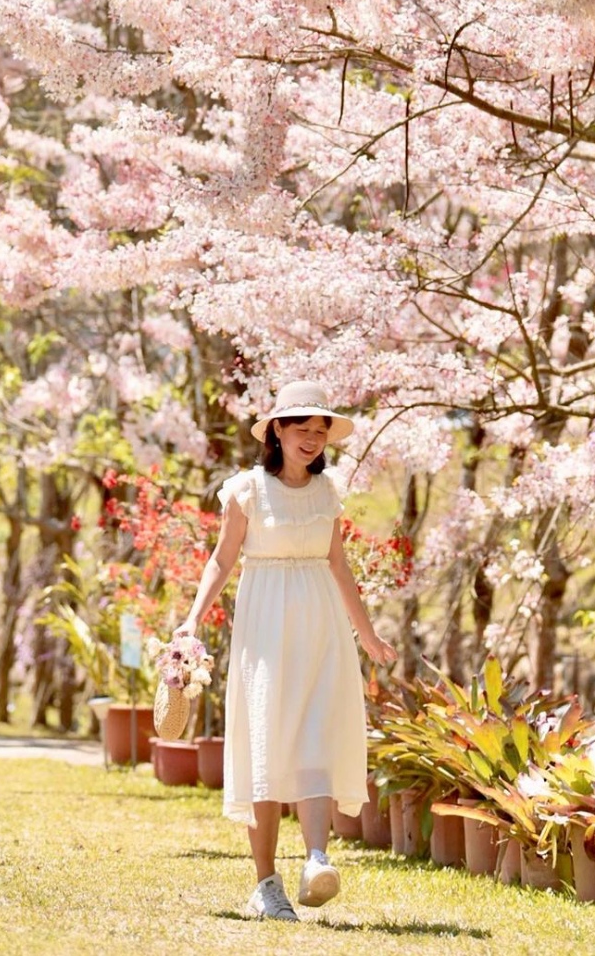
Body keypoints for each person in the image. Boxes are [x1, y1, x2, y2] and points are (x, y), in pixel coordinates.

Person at [176, 380, 397, 922]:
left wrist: (366, 633)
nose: (314, 440)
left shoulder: (328, 492)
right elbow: (222, 561)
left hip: (321, 626)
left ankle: (317, 859)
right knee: (266, 748)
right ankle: (265, 884)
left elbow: (338, 564)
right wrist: (190, 620)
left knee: (319, 734)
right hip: (265, 628)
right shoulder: (247, 490)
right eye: (303, 429)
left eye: (322, 431)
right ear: (277, 430)